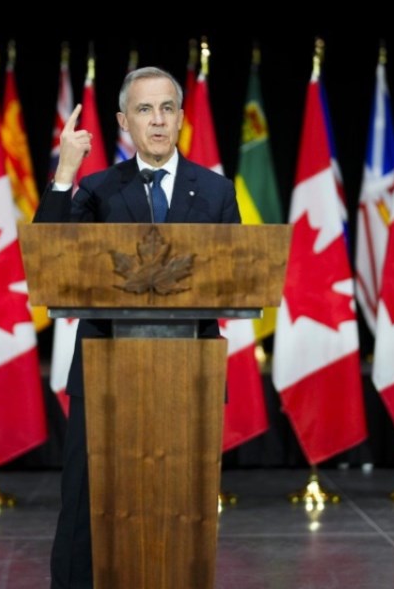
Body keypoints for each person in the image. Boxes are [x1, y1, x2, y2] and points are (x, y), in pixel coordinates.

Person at [35, 66, 240, 589]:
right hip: (106, 372)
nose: (157, 121)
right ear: (124, 121)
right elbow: (51, 259)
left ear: (180, 119)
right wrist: (65, 174)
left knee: (182, 505)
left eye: (167, 108)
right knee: (86, 505)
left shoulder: (216, 192)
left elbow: (238, 274)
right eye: (144, 110)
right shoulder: (98, 190)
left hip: (187, 374)